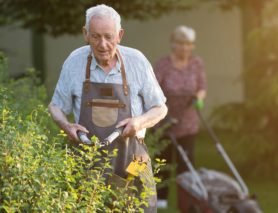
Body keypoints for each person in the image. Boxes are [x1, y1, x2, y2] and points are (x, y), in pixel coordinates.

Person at [48, 4, 167, 212]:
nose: (102, 44)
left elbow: (160, 108)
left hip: (132, 161)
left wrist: (138, 122)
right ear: (85, 34)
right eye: (95, 36)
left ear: (119, 35)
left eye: (108, 36)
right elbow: (55, 106)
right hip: (88, 164)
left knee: (140, 206)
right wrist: (66, 125)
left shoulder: (136, 62)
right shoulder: (74, 62)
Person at [154, 25, 207, 208]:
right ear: (173, 44)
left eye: (189, 44)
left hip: (188, 122)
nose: (185, 47)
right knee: (164, 160)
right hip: (164, 121)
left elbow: (201, 87)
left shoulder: (196, 63)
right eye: (181, 43)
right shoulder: (163, 65)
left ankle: (187, 201)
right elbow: (153, 89)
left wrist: (199, 98)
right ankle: (160, 200)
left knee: (186, 162)